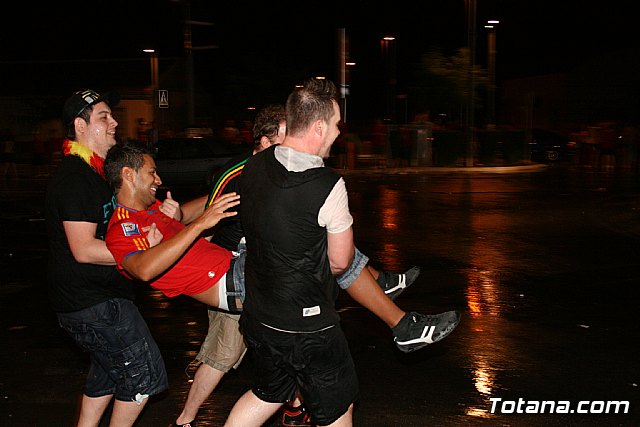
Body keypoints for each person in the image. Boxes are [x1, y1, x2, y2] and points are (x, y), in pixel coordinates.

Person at [170, 104, 435, 427]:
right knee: (222, 357)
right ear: (265, 142)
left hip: (266, 289)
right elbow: (213, 211)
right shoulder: (248, 171)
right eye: (285, 137)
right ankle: (184, 419)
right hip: (237, 272)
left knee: (276, 379)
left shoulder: (272, 169)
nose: (292, 145)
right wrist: (197, 251)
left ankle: (296, 406)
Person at [224, 78, 460, 427]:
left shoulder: (253, 166)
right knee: (338, 410)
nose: (338, 132)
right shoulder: (328, 185)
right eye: (335, 124)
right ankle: (399, 315)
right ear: (318, 127)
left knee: (266, 394)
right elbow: (341, 263)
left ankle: (397, 307)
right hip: (309, 328)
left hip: (260, 317)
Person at [45, 89, 168, 427]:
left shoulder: (98, 172)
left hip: (93, 300)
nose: (114, 122)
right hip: (94, 302)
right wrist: (141, 252)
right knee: (143, 376)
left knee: (107, 378)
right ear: (80, 126)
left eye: (111, 115)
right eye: (103, 117)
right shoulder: (75, 178)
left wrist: (159, 217)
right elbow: (84, 248)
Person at [103, 142, 244, 312]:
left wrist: (229, 193)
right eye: (152, 172)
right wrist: (200, 224)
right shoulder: (121, 227)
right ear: (128, 174)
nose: (158, 180)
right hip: (231, 280)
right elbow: (143, 270)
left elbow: (201, 213)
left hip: (237, 263)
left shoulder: (154, 208)